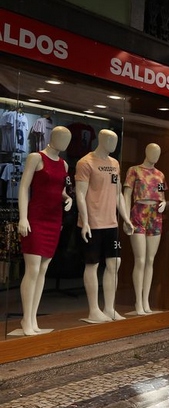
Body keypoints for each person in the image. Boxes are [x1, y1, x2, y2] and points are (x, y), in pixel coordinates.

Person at [17, 126, 73, 336]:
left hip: (54, 218)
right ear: (53, 138)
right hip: (36, 217)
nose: (65, 143)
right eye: (62, 138)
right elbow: (24, 187)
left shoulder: (64, 164)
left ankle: (33, 318)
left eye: (68, 140)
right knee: (32, 269)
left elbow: (60, 190)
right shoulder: (35, 158)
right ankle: (25, 318)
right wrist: (23, 217)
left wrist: (67, 199)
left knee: (43, 270)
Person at [75, 129, 134, 323]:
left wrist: (126, 218)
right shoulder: (85, 162)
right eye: (111, 140)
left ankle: (109, 307)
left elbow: (118, 194)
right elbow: (80, 195)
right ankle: (93, 310)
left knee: (114, 263)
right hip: (92, 223)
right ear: (101, 140)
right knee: (92, 264)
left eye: (116, 140)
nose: (114, 144)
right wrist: (84, 222)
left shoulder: (114, 164)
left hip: (111, 222)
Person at [123, 143, 169, 316]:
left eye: (158, 153)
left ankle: (146, 300)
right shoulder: (134, 170)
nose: (156, 156)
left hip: (156, 215)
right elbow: (126, 195)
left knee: (150, 260)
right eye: (153, 152)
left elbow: (162, 195)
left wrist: (164, 203)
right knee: (140, 260)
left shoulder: (160, 175)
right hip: (138, 214)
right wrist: (126, 217)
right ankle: (138, 302)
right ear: (146, 151)